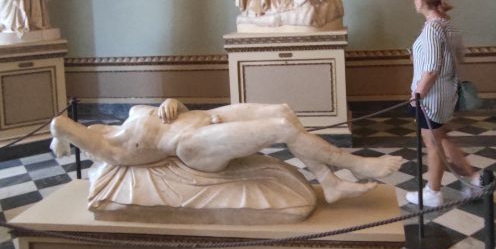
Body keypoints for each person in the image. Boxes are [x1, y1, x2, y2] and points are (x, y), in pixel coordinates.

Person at [50, 98, 404, 204]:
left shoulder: (131, 115)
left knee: (283, 112)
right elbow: (60, 123)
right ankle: (356, 165)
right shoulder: (111, 149)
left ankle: (329, 182)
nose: (90, 131)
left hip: (207, 117)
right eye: (85, 135)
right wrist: (59, 137)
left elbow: (174, 107)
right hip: (193, 146)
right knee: (281, 129)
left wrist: (172, 102)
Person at [407, 0, 482, 207]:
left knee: (432, 143)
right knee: (441, 138)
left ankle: (433, 192)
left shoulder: (432, 28)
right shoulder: (448, 25)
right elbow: (457, 57)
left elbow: (431, 70)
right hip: (446, 92)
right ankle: (473, 178)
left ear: (420, 0)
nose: (414, 2)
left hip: (431, 97)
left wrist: (418, 94)